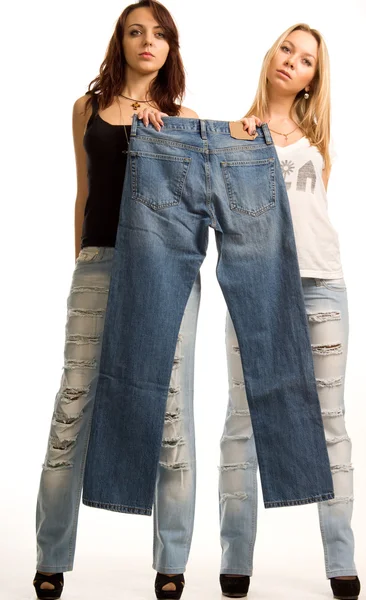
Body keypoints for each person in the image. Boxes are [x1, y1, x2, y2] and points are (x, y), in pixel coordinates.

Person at [33, 2, 201, 599]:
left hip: (164, 274)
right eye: (136, 31)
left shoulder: (185, 119)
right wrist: (82, 260)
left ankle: (171, 564)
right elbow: (83, 194)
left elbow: (189, 214)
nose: (146, 42)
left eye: (158, 34)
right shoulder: (85, 109)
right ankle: (51, 557)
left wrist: (169, 140)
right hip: (98, 266)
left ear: (170, 46)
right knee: (72, 406)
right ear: (121, 42)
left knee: (171, 416)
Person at [218, 23, 361, 600]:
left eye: (306, 61)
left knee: (330, 422)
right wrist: (241, 145)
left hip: (322, 285)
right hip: (255, 286)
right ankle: (235, 561)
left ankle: (343, 564)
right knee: (243, 422)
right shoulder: (231, 133)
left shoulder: (318, 141)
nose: (292, 63)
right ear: (272, 53)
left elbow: (312, 221)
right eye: (287, 49)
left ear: (311, 80)